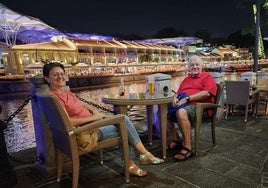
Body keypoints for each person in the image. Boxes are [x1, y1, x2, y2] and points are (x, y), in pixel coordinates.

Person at [42, 62, 164, 177]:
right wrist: (94, 117)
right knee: (124, 126)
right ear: (47, 78)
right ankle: (139, 158)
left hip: (92, 124)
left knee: (123, 122)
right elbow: (67, 122)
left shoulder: (65, 93)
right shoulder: (54, 98)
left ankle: (138, 158)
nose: (60, 76)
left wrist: (95, 112)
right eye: (55, 74)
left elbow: (84, 105)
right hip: (84, 132)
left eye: (62, 73)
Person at [167, 55, 217, 161]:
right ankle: (176, 140)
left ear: (201, 66)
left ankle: (188, 147)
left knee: (181, 112)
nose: (194, 67)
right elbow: (178, 93)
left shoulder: (207, 77)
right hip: (185, 105)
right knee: (162, 113)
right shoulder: (186, 79)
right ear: (189, 67)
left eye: (197, 64)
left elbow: (207, 93)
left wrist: (187, 98)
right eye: (192, 65)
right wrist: (175, 98)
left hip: (200, 108)